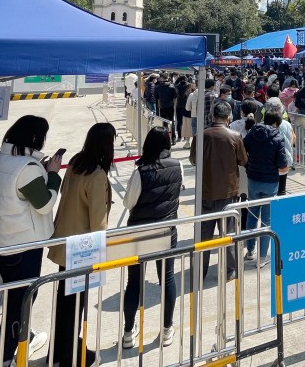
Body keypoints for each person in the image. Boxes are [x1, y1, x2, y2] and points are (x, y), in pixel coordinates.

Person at [0, 116, 62, 365]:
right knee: (22, 299)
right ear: (36, 139)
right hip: (22, 244)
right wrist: (53, 176)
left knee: (14, 293)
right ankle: (3, 357)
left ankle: (24, 334)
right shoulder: (26, 169)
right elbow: (45, 204)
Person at [47, 124, 115, 367]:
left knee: (64, 302)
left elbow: (66, 193)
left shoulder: (76, 163)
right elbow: (98, 223)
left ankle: (58, 351)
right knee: (76, 304)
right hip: (83, 249)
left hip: (64, 241)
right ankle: (70, 356)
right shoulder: (96, 175)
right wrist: (102, 254)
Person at [122, 128, 182, 350]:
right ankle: (167, 329)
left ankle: (128, 332)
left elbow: (128, 203)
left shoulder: (141, 172)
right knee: (166, 278)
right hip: (166, 229)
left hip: (139, 231)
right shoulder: (178, 166)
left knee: (134, 281)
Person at [190, 101, 248, 281]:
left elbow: (193, 160)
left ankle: (200, 270)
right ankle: (229, 270)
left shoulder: (201, 135)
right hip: (228, 192)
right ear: (229, 117)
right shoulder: (235, 135)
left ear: (212, 116)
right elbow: (243, 160)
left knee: (204, 234)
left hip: (205, 191)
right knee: (228, 233)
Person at [242, 111, 290, 266]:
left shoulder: (253, 132)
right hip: (270, 181)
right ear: (277, 123)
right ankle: (262, 257)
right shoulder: (278, 137)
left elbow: (244, 149)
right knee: (266, 220)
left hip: (253, 178)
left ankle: (249, 251)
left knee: (252, 215)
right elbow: (282, 163)